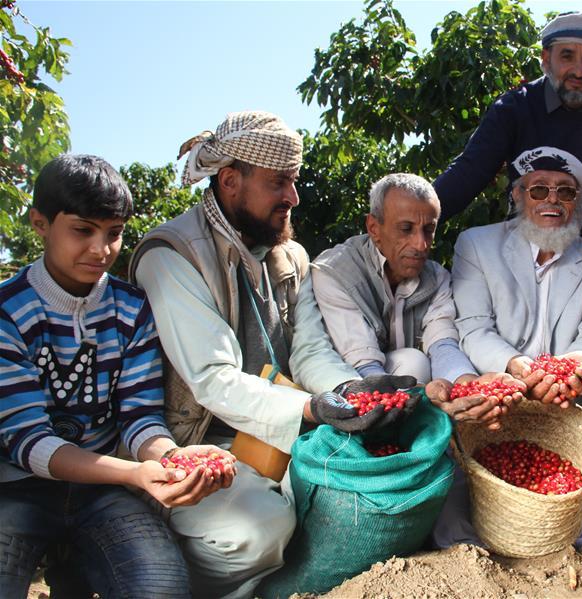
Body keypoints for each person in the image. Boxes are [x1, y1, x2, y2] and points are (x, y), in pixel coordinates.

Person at [129, 111, 414, 599]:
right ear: (231, 181)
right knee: (259, 532)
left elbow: (309, 350)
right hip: (201, 443)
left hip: (279, 434)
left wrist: (346, 391)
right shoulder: (172, 255)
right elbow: (214, 380)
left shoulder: (290, 257)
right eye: (279, 183)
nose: (293, 198)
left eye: (294, 181)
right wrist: (310, 408)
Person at [0, 154, 235, 598]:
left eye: (114, 233)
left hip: (101, 494)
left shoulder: (132, 308)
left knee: (161, 588)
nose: (100, 249)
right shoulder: (8, 312)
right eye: (82, 230)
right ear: (40, 223)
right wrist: (134, 474)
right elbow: (27, 442)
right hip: (18, 489)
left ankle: (77, 568)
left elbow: (140, 417)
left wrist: (171, 457)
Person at [433, 147, 582, 547]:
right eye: (539, 189)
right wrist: (518, 368)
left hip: (557, 412)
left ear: (578, 202)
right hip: (493, 401)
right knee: (457, 532)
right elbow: (473, 327)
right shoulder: (477, 245)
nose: (552, 200)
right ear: (517, 196)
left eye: (566, 192)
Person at [433, 11, 582, 254]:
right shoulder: (515, 108)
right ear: (546, 59)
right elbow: (467, 173)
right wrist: (410, 218)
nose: (579, 72)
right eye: (567, 56)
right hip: (525, 261)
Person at [312, 173, 524, 428]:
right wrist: (410, 400)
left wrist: (464, 383)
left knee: (417, 363)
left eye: (429, 230)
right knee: (414, 362)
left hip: (404, 379)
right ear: (374, 229)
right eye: (406, 229)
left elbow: (443, 343)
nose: (421, 244)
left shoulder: (436, 277)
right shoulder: (336, 272)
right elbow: (363, 362)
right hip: (349, 387)